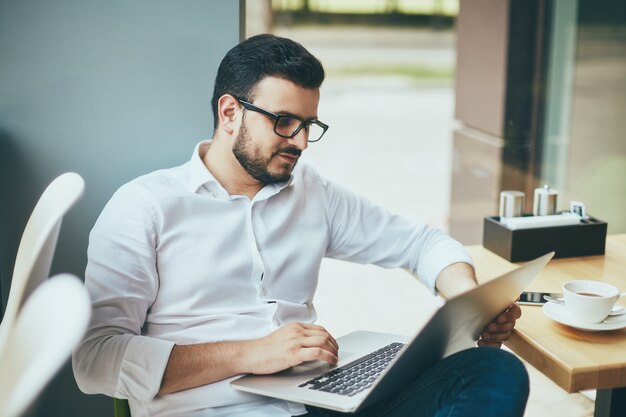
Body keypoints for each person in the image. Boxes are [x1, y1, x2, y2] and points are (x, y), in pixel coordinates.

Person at [72, 34, 529, 417]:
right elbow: (95, 360)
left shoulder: (310, 192)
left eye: (309, 124)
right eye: (285, 122)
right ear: (230, 113)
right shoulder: (144, 207)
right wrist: (252, 353)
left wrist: (468, 301)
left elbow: (422, 243)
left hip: (313, 400)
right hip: (212, 409)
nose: (302, 142)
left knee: (493, 373)